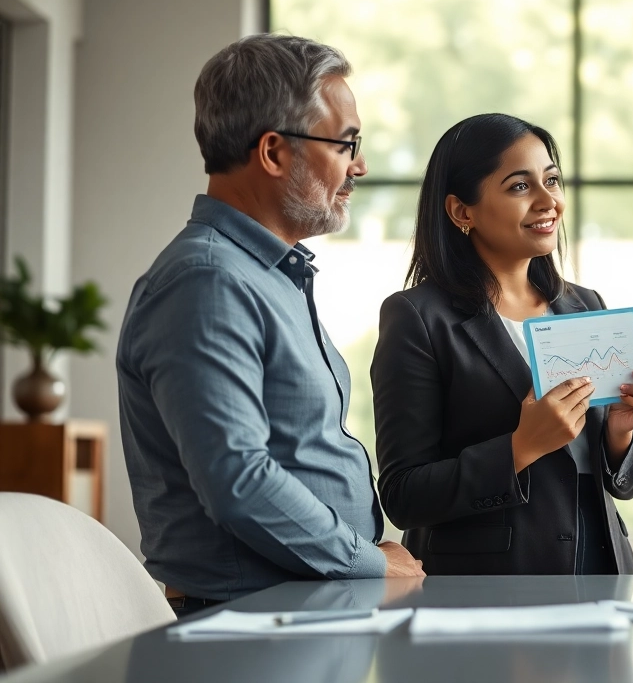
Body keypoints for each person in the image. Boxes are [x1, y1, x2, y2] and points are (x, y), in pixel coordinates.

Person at [117, 33, 423, 618]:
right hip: (248, 620)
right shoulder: (206, 281)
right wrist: (367, 561)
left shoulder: (266, 275)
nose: (359, 165)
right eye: (346, 143)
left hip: (301, 610)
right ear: (274, 153)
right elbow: (238, 478)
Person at [371, 113, 633, 576]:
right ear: (461, 211)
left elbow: (627, 482)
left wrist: (620, 433)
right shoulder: (418, 318)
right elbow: (404, 495)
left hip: (602, 568)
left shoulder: (585, 305)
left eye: (551, 180)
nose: (549, 201)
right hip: (489, 585)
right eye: (519, 187)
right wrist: (520, 447)